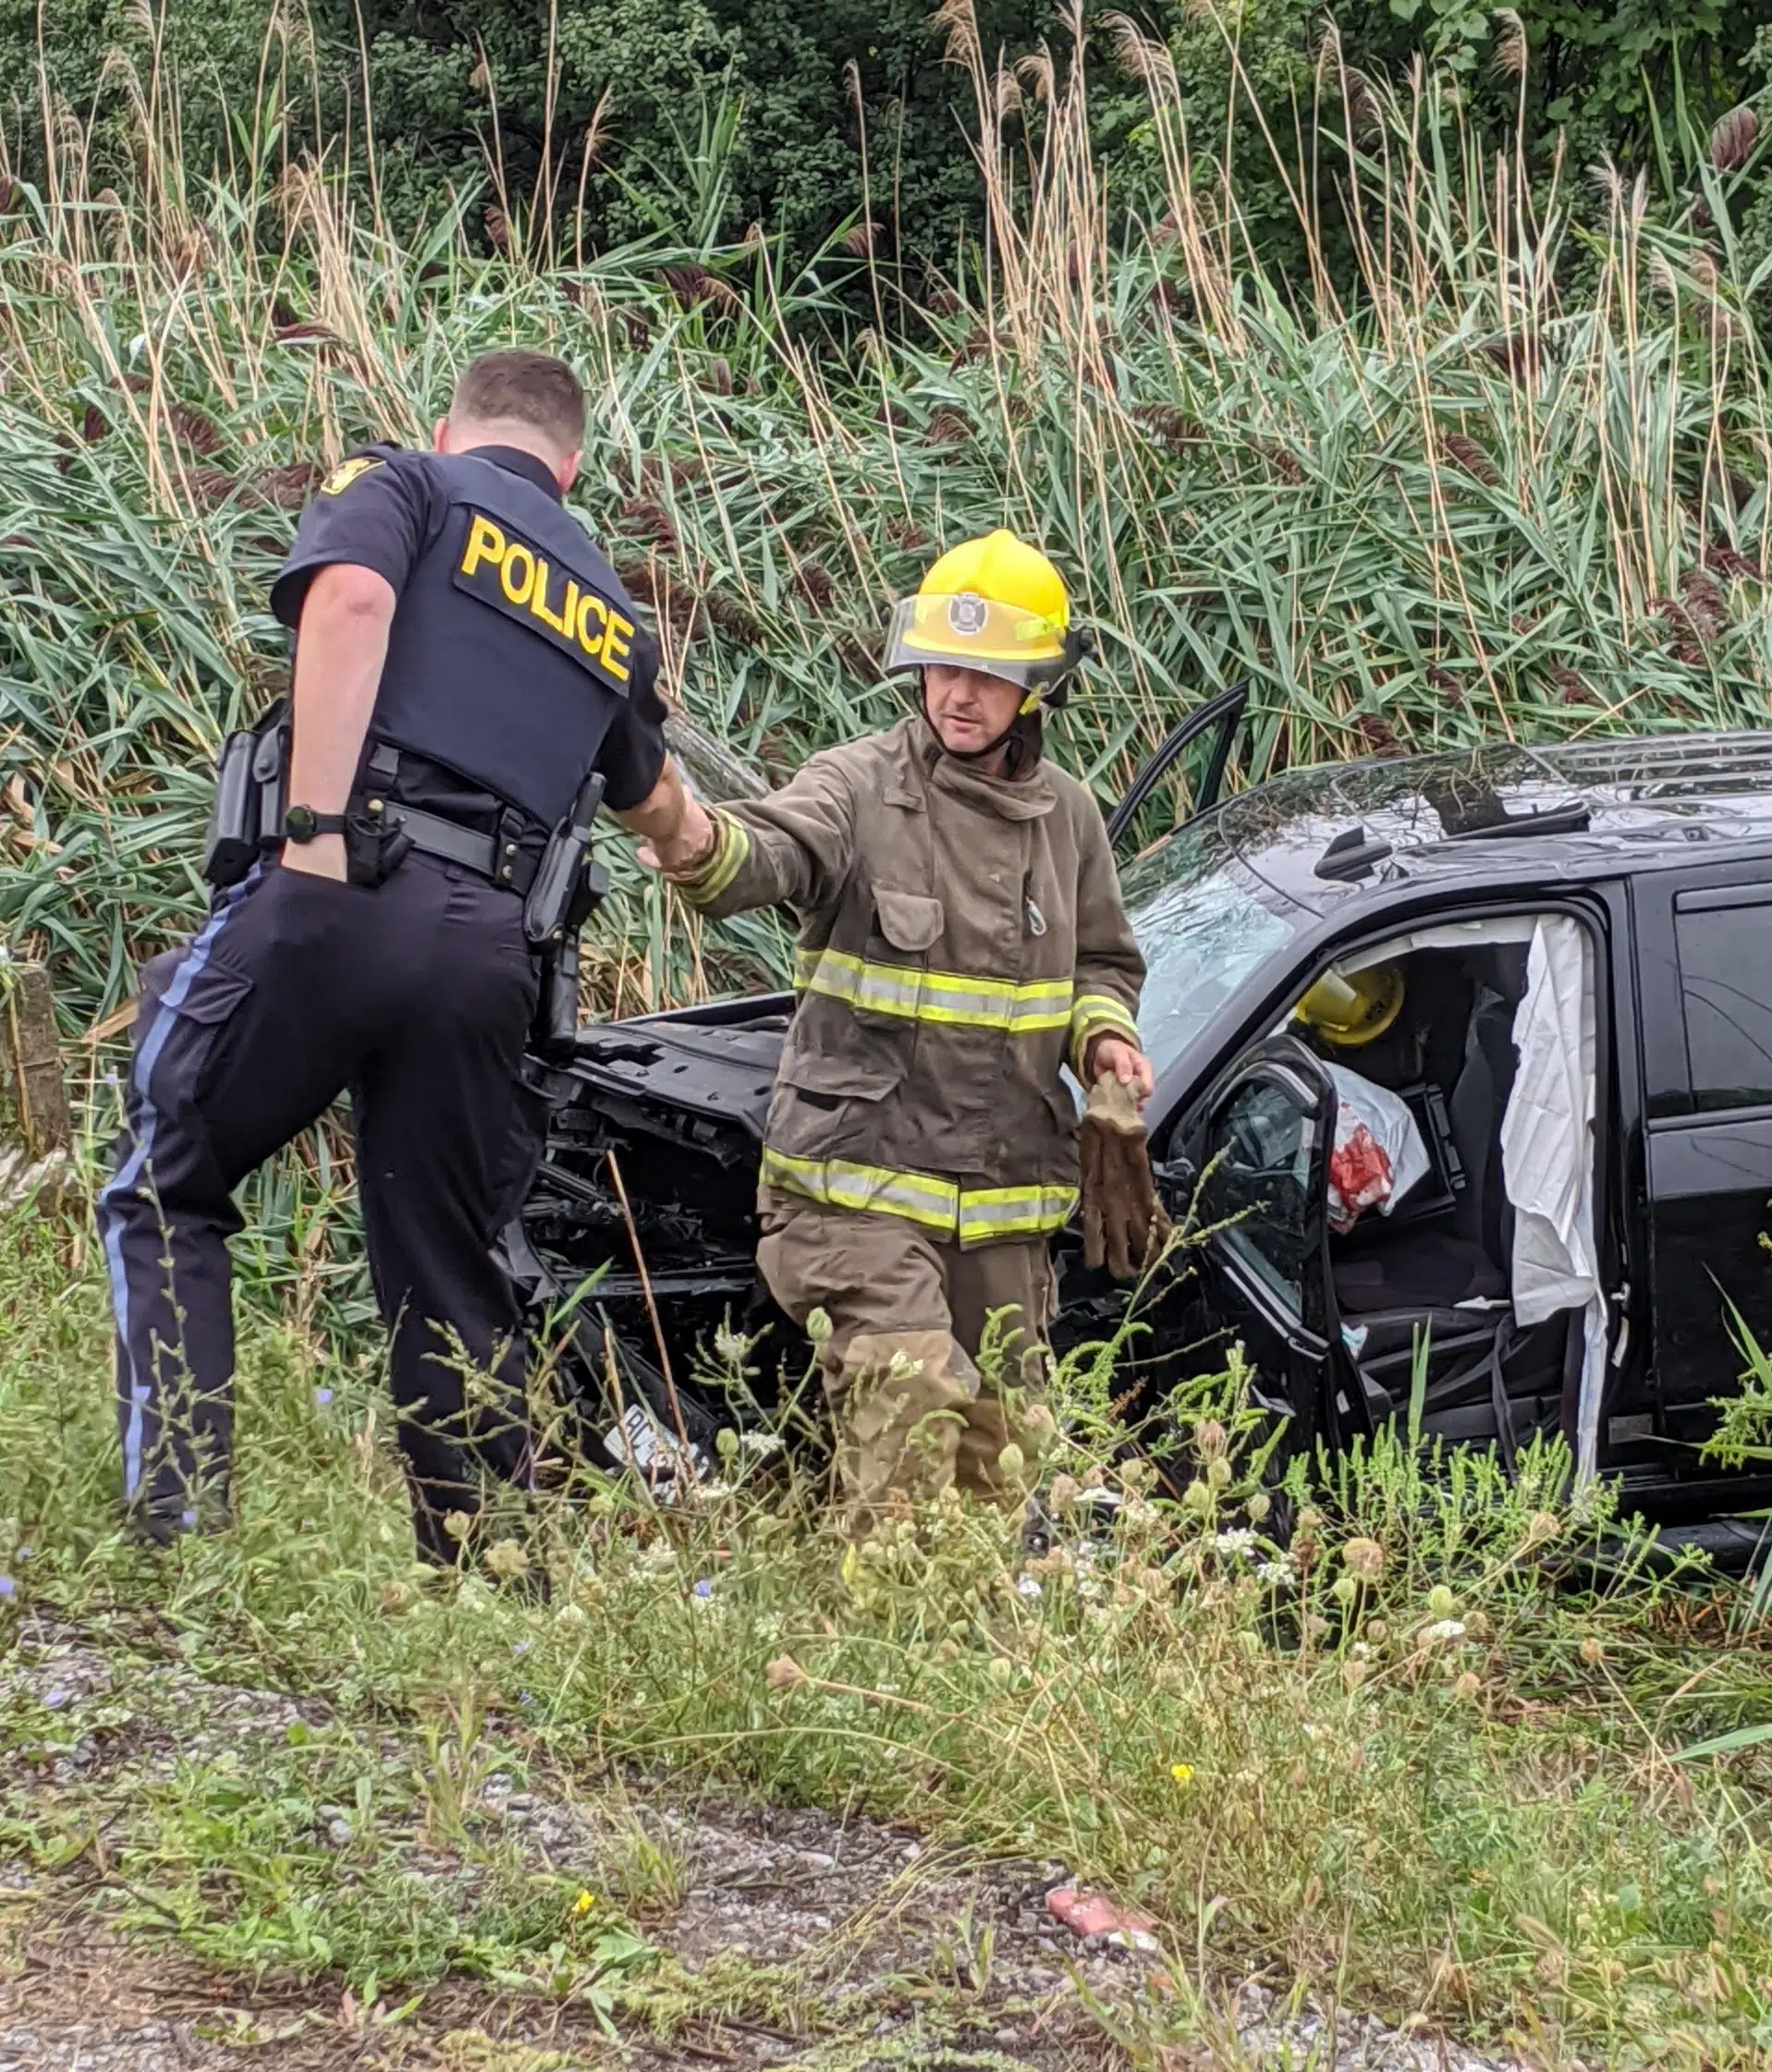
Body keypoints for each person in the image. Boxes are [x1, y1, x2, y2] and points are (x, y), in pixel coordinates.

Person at [101, 347, 688, 1562]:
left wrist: (314, 836)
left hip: (351, 885)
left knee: (168, 1173)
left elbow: (352, 601)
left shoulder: (411, 484)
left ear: (452, 425)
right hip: (491, 957)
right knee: (444, 1261)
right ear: (571, 469)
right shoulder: (608, 607)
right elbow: (667, 813)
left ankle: (182, 1528)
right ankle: (484, 1570)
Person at [621, 530, 1155, 1505]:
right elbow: (767, 849)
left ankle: (945, 1652)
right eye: (943, 668)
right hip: (852, 1201)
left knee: (999, 1476)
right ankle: (872, 1650)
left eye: (987, 675)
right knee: (916, 1419)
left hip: (998, 1219)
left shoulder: (1069, 820)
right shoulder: (860, 786)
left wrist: (1104, 1036)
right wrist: (682, 830)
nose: (958, 693)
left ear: (1036, 684)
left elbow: (1102, 963)